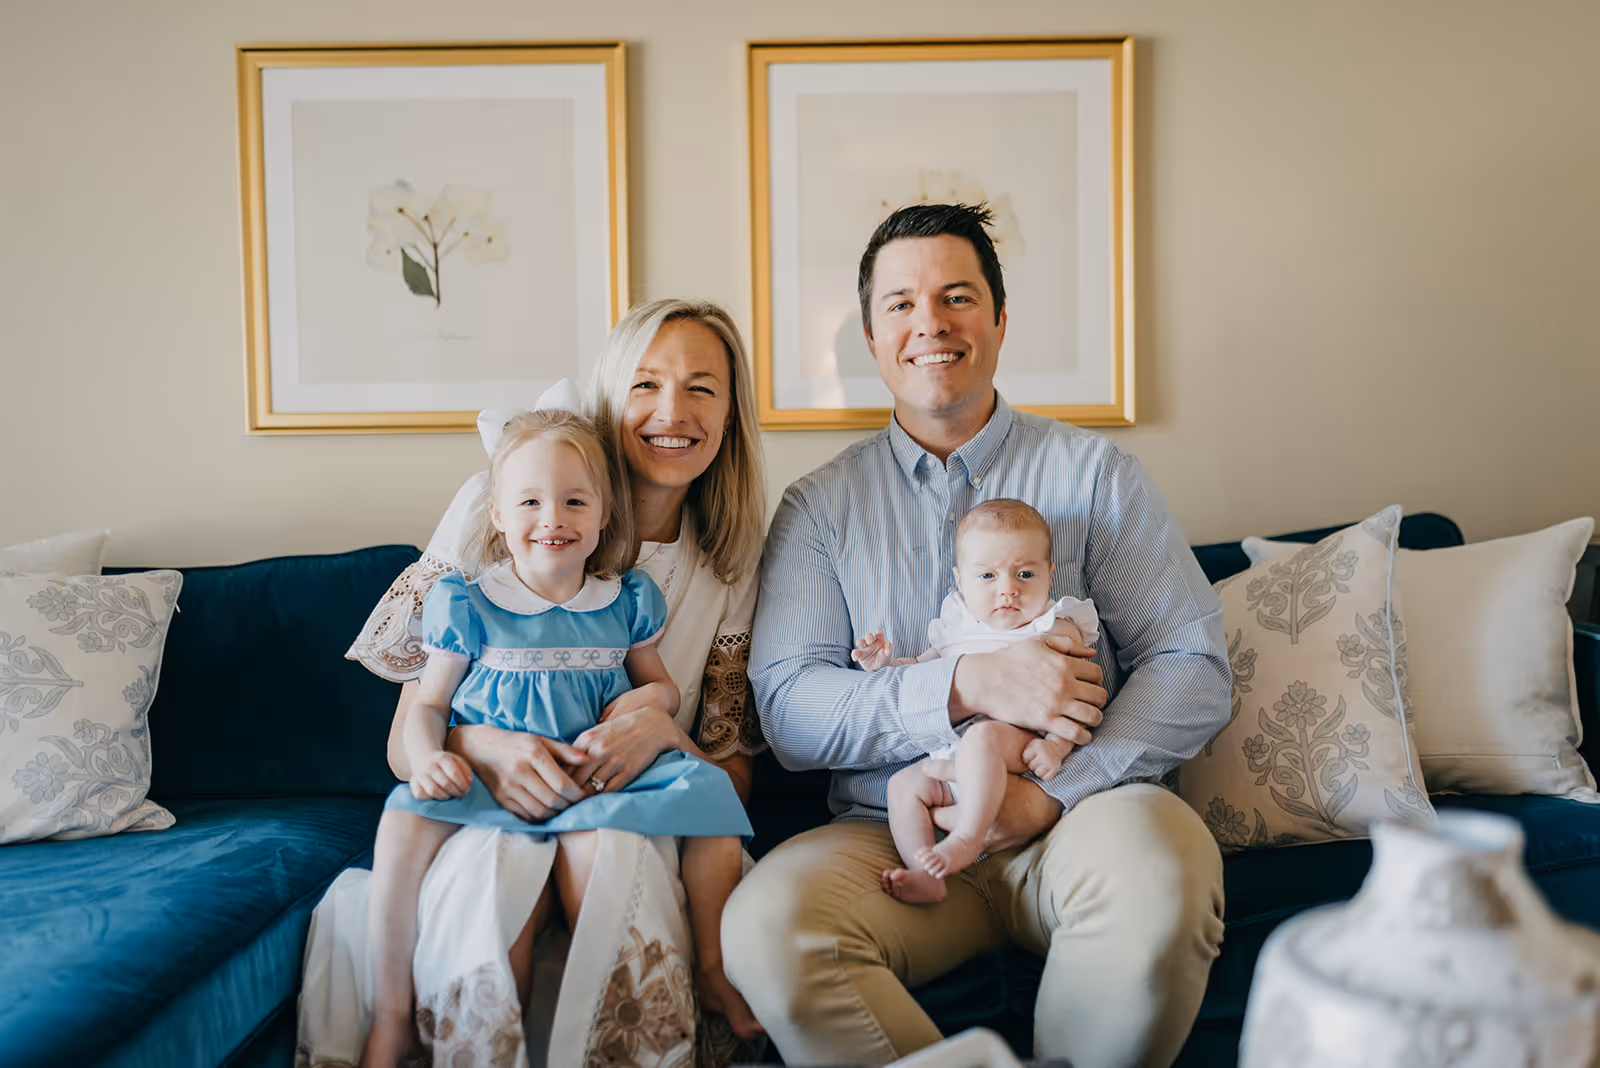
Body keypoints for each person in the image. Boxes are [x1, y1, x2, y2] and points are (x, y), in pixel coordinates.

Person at [727, 203, 1231, 1068]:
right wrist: (965, 687)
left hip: (1081, 815)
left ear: (999, 320)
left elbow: (1192, 663)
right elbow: (788, 710)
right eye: (901, 304)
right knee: (770, 924)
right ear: (871, 334)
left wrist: (1054, 794)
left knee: (1166, 867)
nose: (931, 323)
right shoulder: (818, 511)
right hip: (896, 833)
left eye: (957, 296)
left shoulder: (1095, 477)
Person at [300, 299, 769, 1068]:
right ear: (608, 395)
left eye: (702, 388)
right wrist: (481, 745)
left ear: (731, 412)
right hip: (493, 799)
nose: (671, 412)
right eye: (645, 385)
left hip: (626, 807)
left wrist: (662, 726)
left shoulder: (731, 557)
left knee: (614, 866)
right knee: (490, 876)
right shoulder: (510, 501)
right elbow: (407, 737)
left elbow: (730, 776)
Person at [851, 498, 1100, 905]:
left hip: (1011, 750)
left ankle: (965, 840)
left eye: (1025, 574)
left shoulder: (1053, 627)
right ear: (961, 581)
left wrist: (1054, 746)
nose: (1007, 590)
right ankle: (924, 872)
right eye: (987, 575)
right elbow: (921, 671)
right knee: (903, 785)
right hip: (952, 757)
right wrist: (884, 664)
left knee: (982, 740)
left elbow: (1076, 699)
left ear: (1049, 576)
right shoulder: (955, 628)